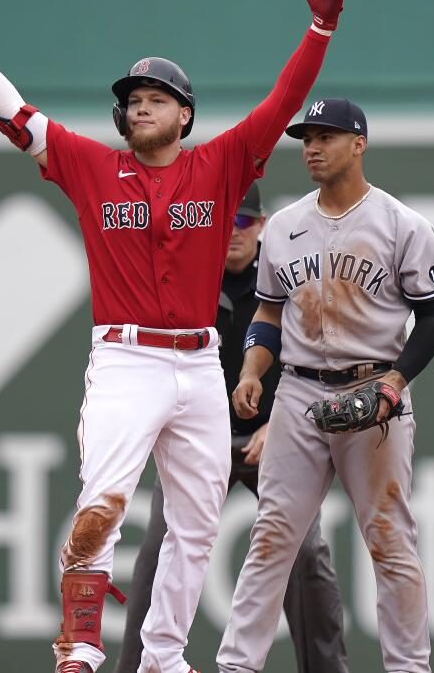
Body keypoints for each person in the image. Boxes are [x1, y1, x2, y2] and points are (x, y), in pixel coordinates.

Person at [0, 0, 346, 672]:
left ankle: (164, 657)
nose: (140, 107)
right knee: (104, 499)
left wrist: (321, 26)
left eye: (156, 98)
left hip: (200, 363)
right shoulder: (92, 165)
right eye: (133, 100)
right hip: (126, 358)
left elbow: (283, 99)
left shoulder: (222, 164)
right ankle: (79, 647)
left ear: (186, 115)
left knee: (198, 518)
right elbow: (18, 119)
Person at [216, 98, 434, 673]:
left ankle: (408, 667)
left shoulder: (402, 226)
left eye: (326, 136)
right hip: (297, 389)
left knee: (389, 539)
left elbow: (433, 319)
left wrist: (396, 381)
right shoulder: (288, 225)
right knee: (272, 536)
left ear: (359, 144)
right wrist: (251, 371)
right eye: (307, 138)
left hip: (374, 390)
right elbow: (268, 313)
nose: (312, 147)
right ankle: (237, 666)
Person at [114, 183, 349, 673]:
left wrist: (283, 425)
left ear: (262, 226)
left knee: (305, 554)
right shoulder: (182, 281)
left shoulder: (291, 279)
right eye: (227, 223)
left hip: (275, 440)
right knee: (157, 550)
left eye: (246, 222)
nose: (236, 233)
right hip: (200, 441)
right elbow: (155, 367)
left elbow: (321, 365)